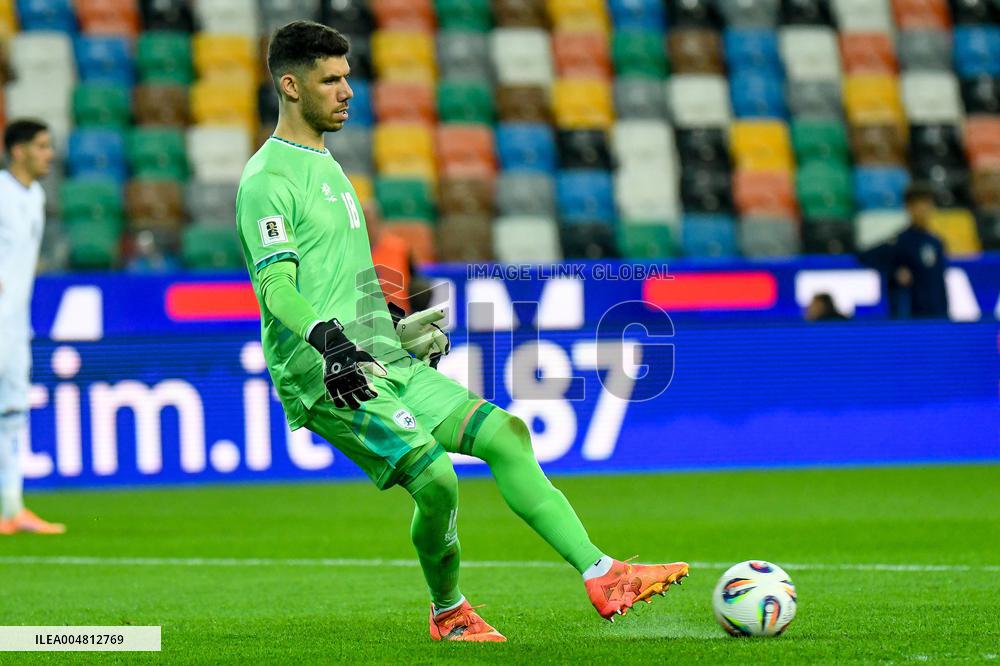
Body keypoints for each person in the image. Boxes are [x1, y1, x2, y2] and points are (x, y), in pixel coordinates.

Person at [236, 21, 688, 642]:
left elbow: (340, 277)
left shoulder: (330, 168)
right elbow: (279, 289)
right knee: (437, 480)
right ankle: (448, 611)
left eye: (348, 77)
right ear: (290, 85)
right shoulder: (267, 180)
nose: (347, 91)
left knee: (506, 434)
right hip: (325, 373)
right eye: (331, 80)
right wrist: (331, 342)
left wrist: (388, 327)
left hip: (371, 354)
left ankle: (603, 572)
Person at [0, 119, 65, 535]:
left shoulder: (35, 195)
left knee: (13, 412)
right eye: (42, 146)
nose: (49, 154)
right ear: (18, 150)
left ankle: (11, 509)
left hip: (15, 324)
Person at [861, 183, 949, 319]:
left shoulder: (936, 242)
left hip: (938, 312)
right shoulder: (901, 241)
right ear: (909, 208)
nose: (924, 209)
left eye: (927, 204)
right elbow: (865, 256)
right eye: (919, 205)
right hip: (911, 315)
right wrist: (894, 272)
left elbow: (940, 281)